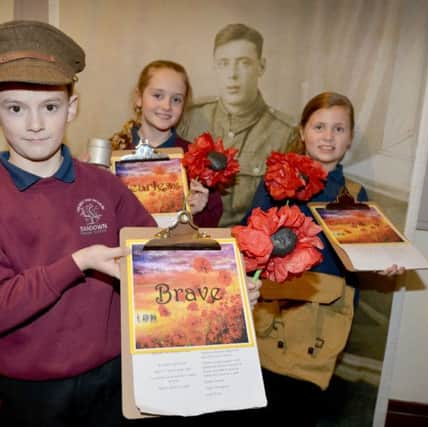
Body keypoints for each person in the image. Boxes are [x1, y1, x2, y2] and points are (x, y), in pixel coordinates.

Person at [0, 20, 157, 426]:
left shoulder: (105, 185)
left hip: (112, 378)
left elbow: (154, 257)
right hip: (33, 390)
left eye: (50, 106)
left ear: (72, 107)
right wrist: (77, 262)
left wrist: (224, 287)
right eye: (15, 108)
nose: (35, 124)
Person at [242, 91, 404, 424]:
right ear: (302, 132)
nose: (328, 136)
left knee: (300, 410)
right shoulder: (276, 183)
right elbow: (248, 238)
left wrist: (385, 265)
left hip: (321, 325)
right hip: (271, 316)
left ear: (350, 139)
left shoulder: (354, 197)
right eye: (319, 126)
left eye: (338, 129)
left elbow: (367, 256)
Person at [177, 23, 297, 227]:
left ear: (261, 67)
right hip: (190, 241)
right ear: (214, 66)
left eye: (244, 63)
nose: (232, 74)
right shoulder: (189, 118)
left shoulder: (284, 134)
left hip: (249, 251)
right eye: (224, 63)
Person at [109, 59, 222, 227]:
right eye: (158, 96)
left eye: (176, 99)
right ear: (139, 98)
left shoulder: (197, 160)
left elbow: (209, 229)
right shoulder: (111, 151)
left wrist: (198, 211)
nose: (167, 106)